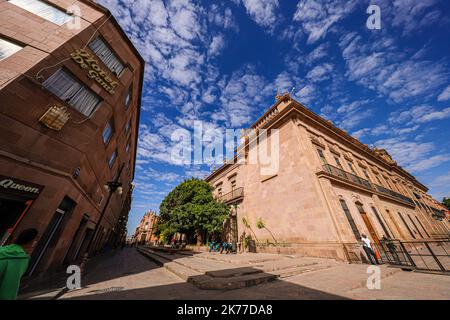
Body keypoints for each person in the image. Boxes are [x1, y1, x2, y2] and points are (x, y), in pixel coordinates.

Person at [0, 228, 38, 300]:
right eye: (36, 239)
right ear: (30, 241)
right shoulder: (21, 259)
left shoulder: (2, 249)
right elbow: (9, 285)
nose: (36, 242)